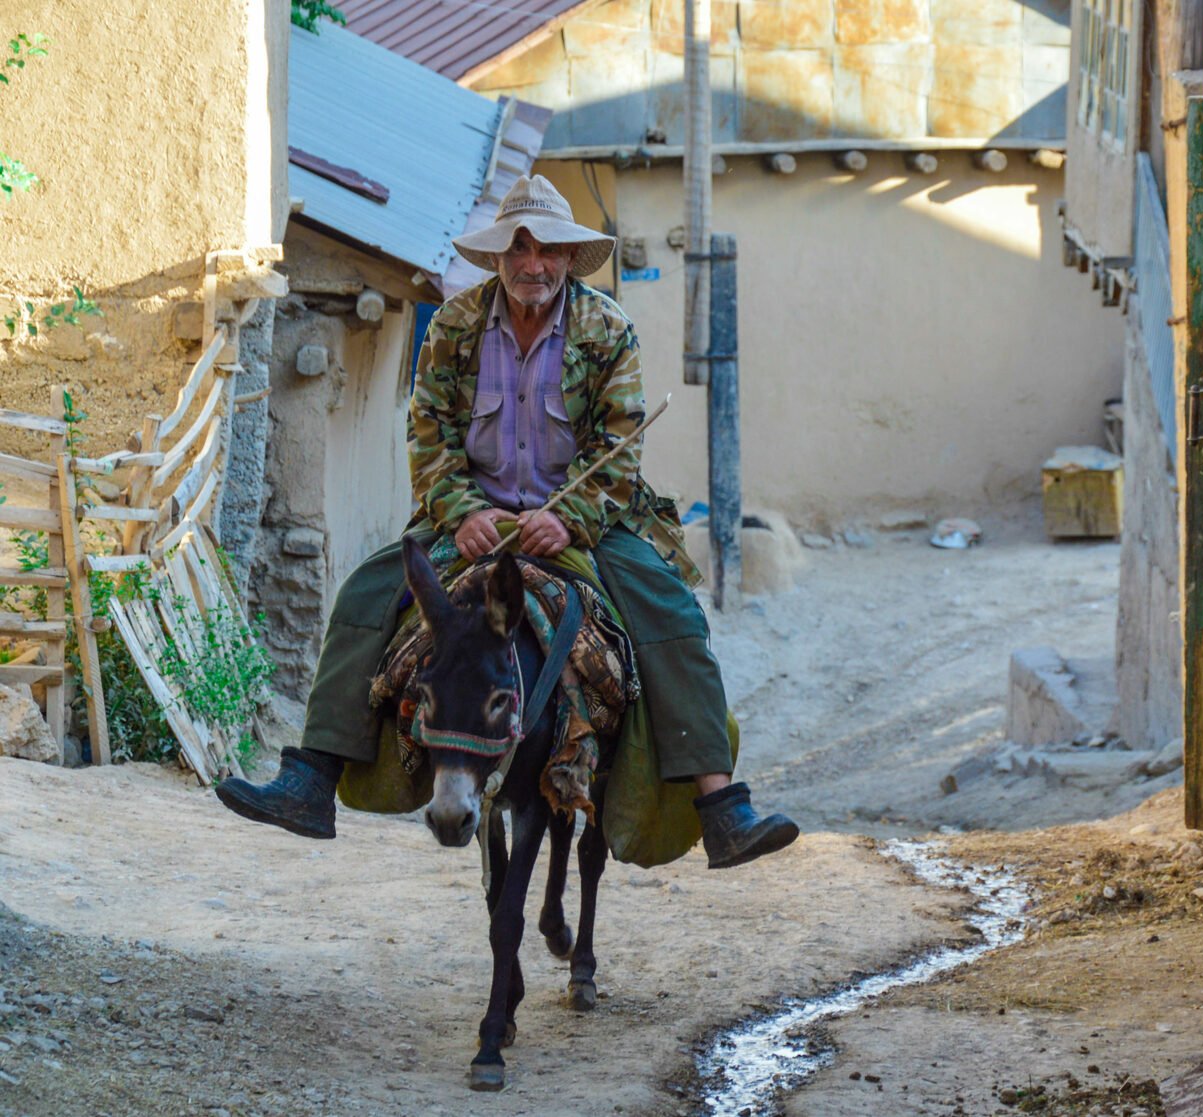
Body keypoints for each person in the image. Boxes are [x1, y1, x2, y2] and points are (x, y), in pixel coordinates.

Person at [216, 174, 798, 870]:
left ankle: (721, 804)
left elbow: (619, 449)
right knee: (364, 596)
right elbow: (426, 434)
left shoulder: (607, 329)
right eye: (520, 249)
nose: (534, 264)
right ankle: (311, 777)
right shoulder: (455, 328)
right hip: (475, 518)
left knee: (672, 614)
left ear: (567, 259)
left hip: (582, 521)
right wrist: (462, 514)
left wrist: (571, 520)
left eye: (549, 250)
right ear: (499, 257)